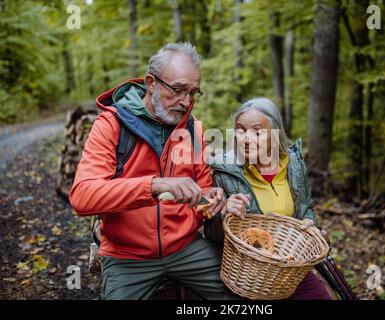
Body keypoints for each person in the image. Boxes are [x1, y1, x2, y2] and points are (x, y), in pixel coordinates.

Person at [70, 42, 234, 300]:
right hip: (127, 255)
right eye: (178, 90)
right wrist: (154, 186)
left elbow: (202, 189)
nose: (186, 101)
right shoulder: (111, 125)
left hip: (186, 247)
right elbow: (82, 196)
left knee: (240, 298)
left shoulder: (194, 130)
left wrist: (211, 198)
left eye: (193, 93)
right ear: (151, 82)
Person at [204, 97, 333, 300]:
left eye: (257, 132)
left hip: (289, 269)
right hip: (249, 276)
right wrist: (225, 213)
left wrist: (310, 223)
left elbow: (305, 206)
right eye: (240, 130)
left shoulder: (294, 164)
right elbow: (212, 233)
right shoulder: (224, 171)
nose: (246, 138)